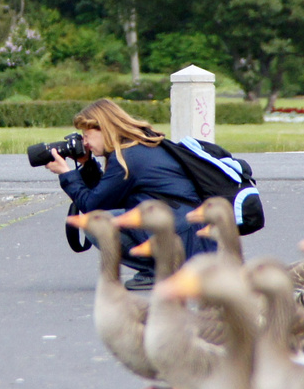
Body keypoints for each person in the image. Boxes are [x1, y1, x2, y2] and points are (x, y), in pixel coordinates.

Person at [44, 98, 213, 290]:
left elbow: (93, 206)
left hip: (184, 235)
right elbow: (107, 198)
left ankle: (161, 271)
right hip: (190, 233)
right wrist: (88, 165)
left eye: (87, 135)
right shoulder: (136, 147)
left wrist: (67, 175)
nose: (85, 142)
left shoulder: (127, 157)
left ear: (104, 129)